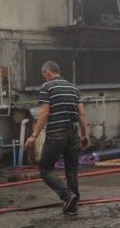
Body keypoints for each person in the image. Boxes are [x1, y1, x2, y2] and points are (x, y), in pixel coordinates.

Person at [24, 61, 90, 216]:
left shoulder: (47, 87)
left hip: (56, 134)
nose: (44, 78)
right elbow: (82, 113)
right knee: (72, 171)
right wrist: (84, 135)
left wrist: (34, 135)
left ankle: (67, 195)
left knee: (45, 169)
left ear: (47, 72)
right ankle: (72, 207)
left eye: (44, 75)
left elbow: (45, 112)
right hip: (72, 134)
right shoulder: (73, 87)